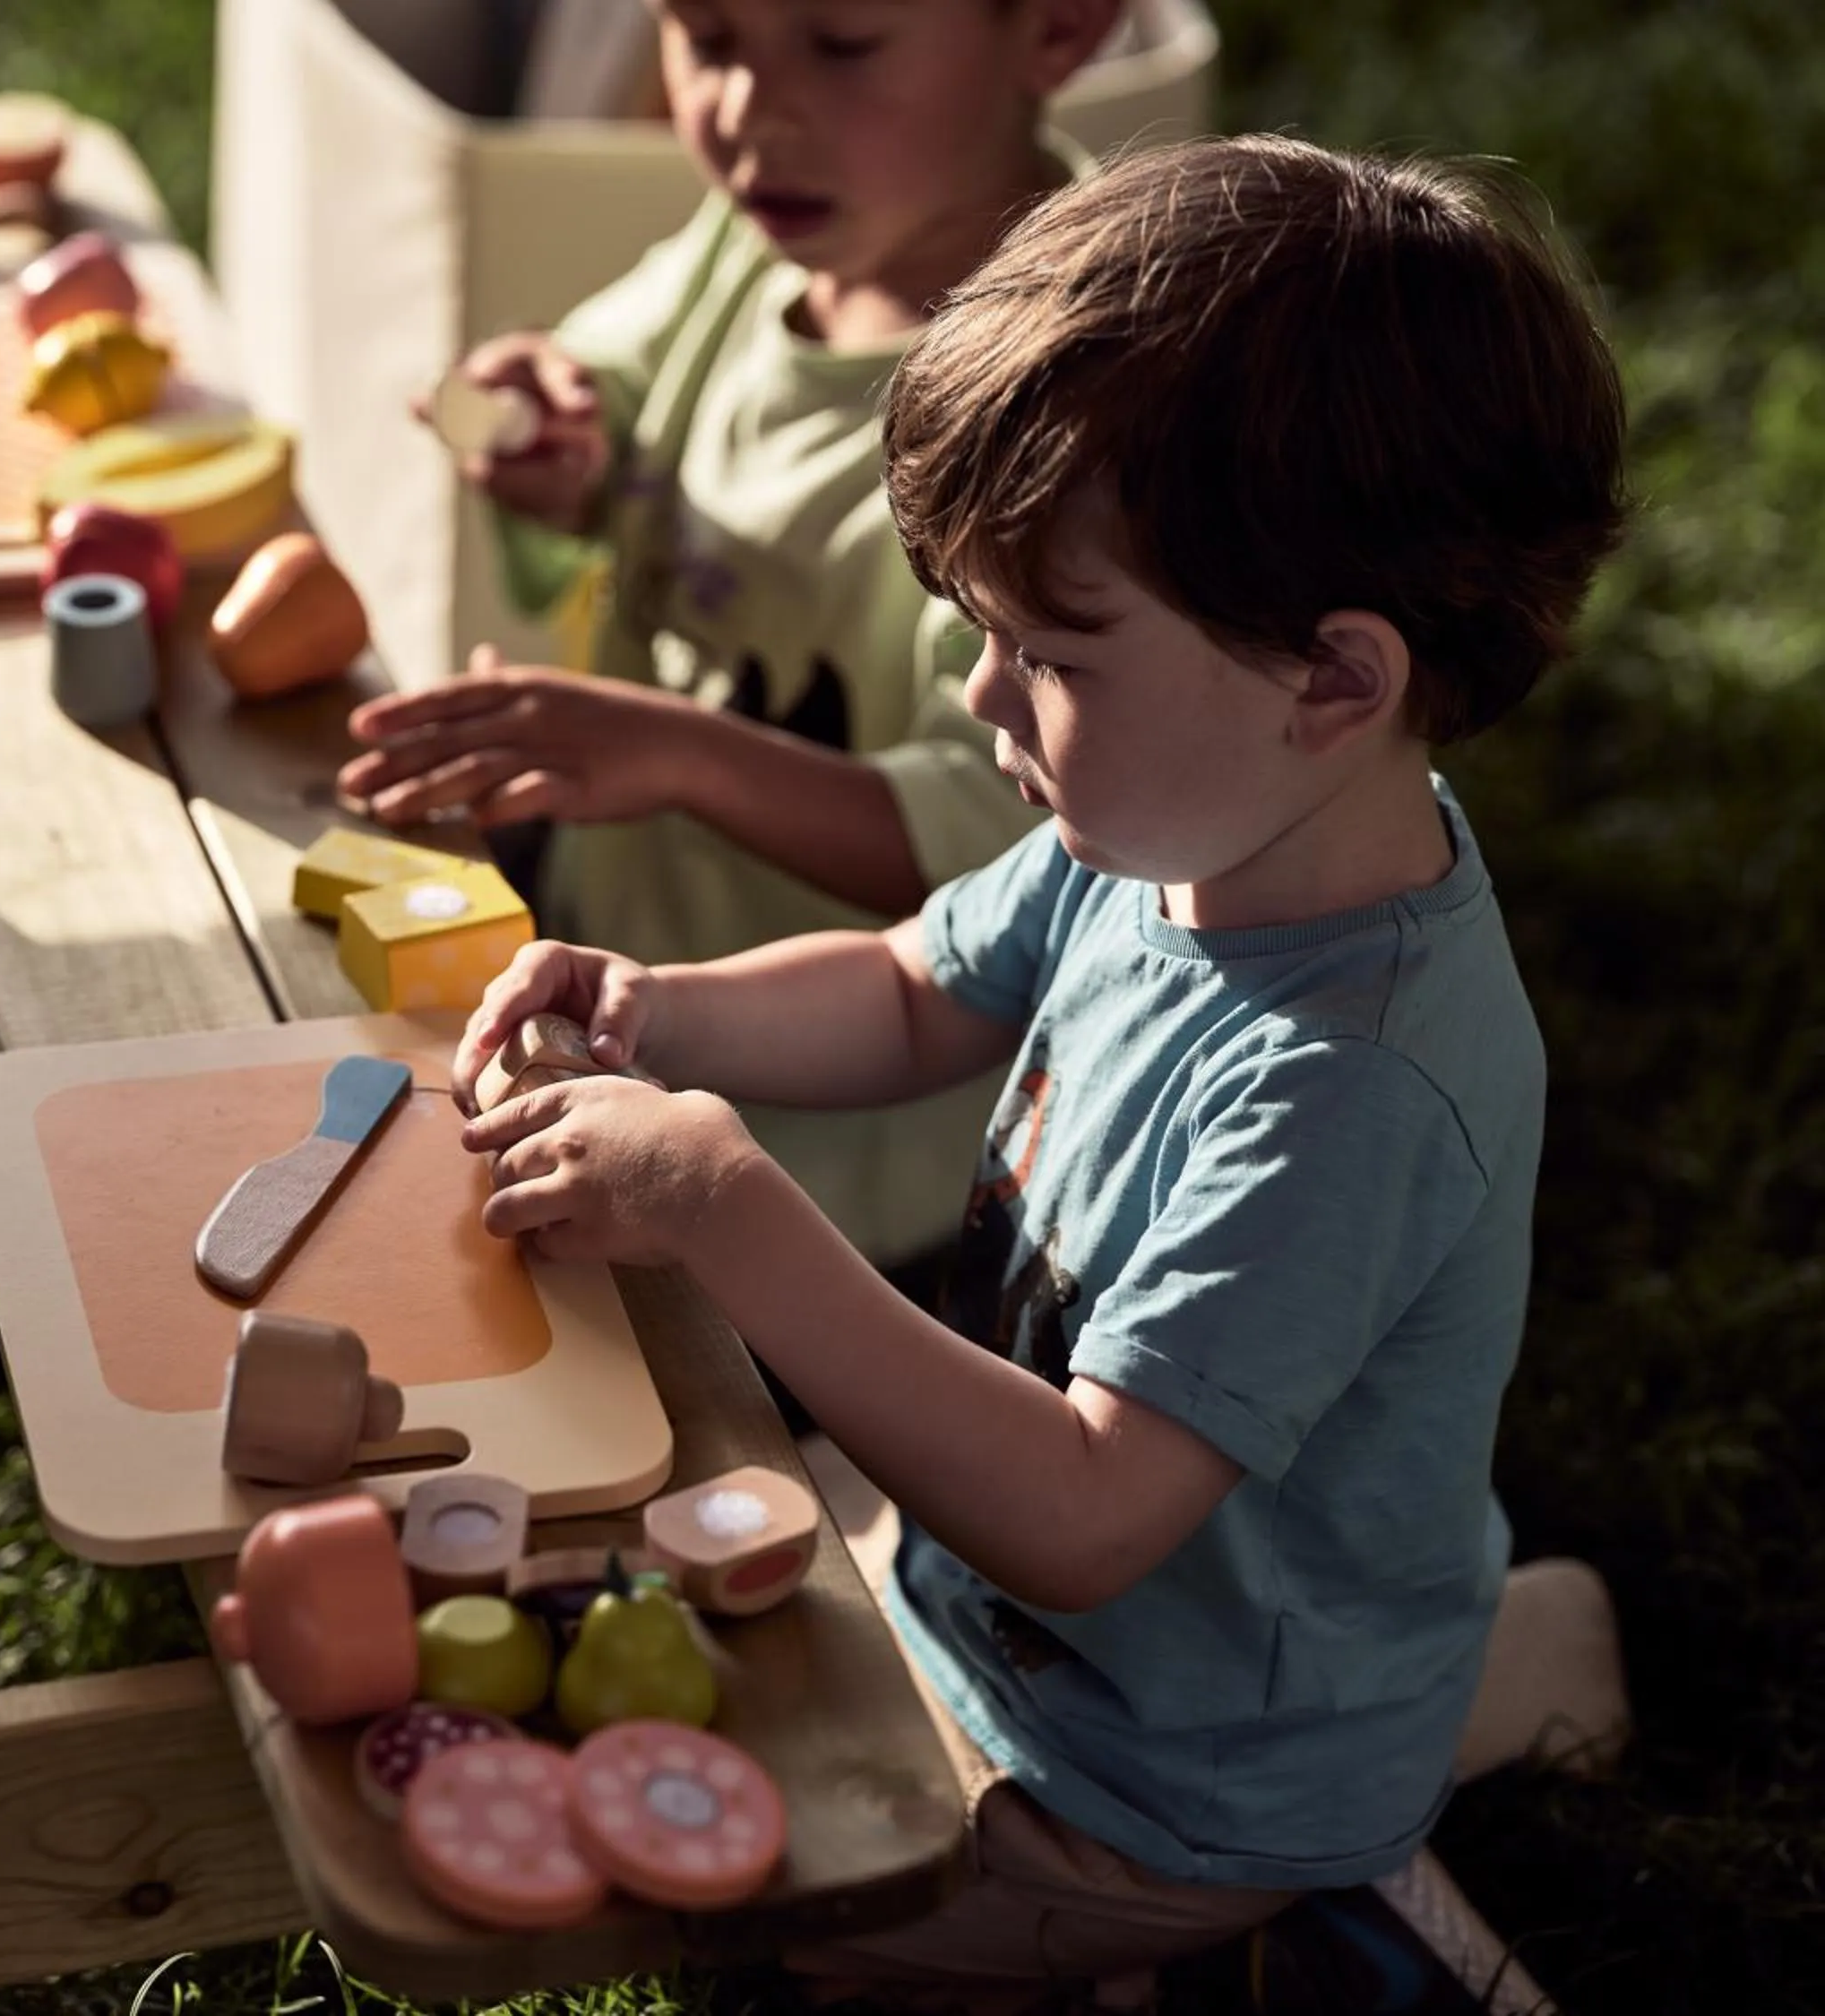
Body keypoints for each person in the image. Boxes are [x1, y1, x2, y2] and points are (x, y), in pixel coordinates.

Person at [448, 134, 1631, 2003]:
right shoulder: (1189, 823)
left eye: (1046, 652)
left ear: (1337, 676)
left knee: (733, 1916)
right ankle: (1474, 1655)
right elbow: (919, 989)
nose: (986, 703)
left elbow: (1084, 1518)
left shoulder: (1346, 1086)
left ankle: (1302, 1897)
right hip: (1028, 1596)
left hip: (1157, 1782)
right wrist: (664, 1008)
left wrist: (724, 1204)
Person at [336, 0, 1131, 1301]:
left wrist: (670, 754)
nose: (749, 113)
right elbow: (625, 374)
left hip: (849, 1180)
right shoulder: (766, 236)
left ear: (1057, 30)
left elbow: (1004, 837)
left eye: (844, 44)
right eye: (708, 37)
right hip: (637, 997)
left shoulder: (1068, 402)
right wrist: (559, 431)